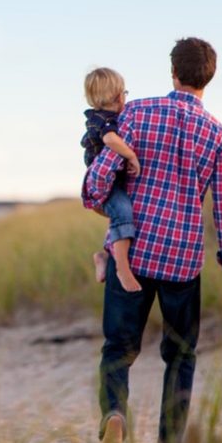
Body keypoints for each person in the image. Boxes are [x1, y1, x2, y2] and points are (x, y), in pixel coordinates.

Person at [82, 37, 222, 443]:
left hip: (134, 255)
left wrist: (100, 198)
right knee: (180, 356)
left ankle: (115, 417)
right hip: (182, 262)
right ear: (208, 78)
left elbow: (99, 178)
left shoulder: (136, 112)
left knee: (118, 350)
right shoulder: (219, 135)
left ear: (172, 72)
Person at [81, 67, 143, 292]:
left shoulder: (100, 116)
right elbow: (110, 140)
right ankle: (122, 269)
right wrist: (131, 155)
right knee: (123, 213)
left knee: (121, 215)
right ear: (119, 96)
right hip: (105, 184)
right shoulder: (105, 121)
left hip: (111, 181)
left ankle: (104, 256)